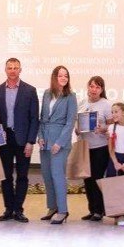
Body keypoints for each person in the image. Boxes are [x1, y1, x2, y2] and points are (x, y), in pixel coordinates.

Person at [0, 58, 39, 222]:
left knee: (22, 176)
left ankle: (18, 210)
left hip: (23, 140)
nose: (12, 70)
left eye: (15, 68)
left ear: (20, 70)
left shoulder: (30, 90)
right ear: (5, 70)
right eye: (10, 68)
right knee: (5, 176)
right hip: (4, 140)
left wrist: (31, 141)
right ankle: (8, 209)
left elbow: (34, 119)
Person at [38, 66, 77, 225]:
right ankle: (52, 207)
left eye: (66, 76)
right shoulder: (47, 93)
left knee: (57, 176)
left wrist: (59, 143)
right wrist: (40, 137)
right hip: (45, 142)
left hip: (60, 142)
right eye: (60, 75)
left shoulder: (71, 96)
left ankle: (62, 211)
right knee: (47, 176)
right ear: (54, 77)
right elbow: (42, 118)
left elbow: (70, 122)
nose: (63, 78)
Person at [79, 76, 112, 222]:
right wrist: (77, 129)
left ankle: (99, 210)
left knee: (97, 178)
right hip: (85, 147)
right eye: (91, 86)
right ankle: (92, 209)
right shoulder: (82, 102)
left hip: (100, 147)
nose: (94, 89)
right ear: (88, 87)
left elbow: (112, 125)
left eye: (97, 87)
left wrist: (103, 129)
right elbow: (78, 122)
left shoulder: (106, 105)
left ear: (102, 89)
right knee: (87, 179)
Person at [106, 102, 124, 227]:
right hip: (115, 159)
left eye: (116, 111)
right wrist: (115, 162)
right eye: (112, 112)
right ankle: (118, 215)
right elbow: (111, 148)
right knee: (115, 187)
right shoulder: (111, 128)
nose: (113, 114)